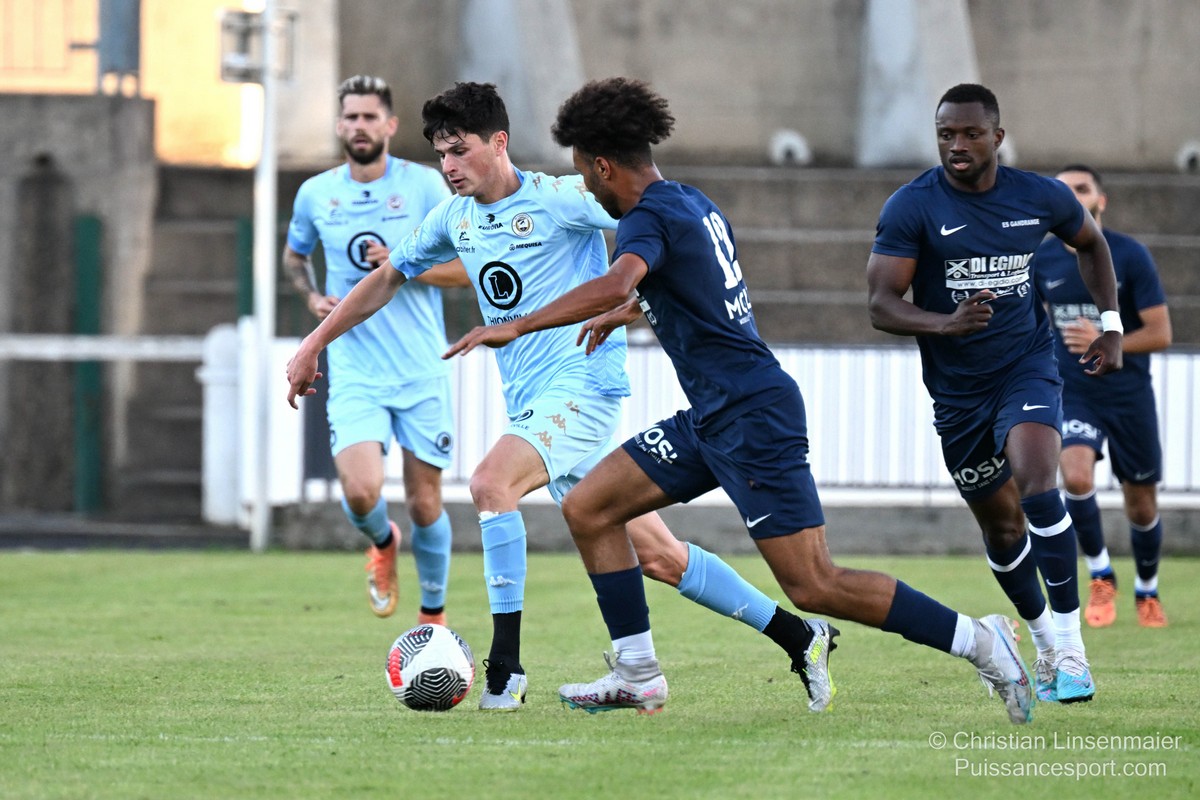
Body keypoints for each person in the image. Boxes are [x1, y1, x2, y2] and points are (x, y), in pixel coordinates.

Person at [445, 76, 1036, 725]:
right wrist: (632, 309)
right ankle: (638, 673)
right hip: (712, 415)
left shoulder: (646, 218)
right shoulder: (691, 202)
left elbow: (619, 277)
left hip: (753, 416)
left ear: (604, 165)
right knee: (589, 506)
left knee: (814, 584)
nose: (584, 185)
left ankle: (980, 640)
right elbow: (682, 281)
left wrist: (521, 324)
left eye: (585, 171)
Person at [287, 81, 839, 714]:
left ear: (498, 142)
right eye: (440, 154)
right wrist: (313, 343)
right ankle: (800, 637)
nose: (449, 166)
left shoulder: (563, 198)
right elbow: (385, 278)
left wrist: (635, 306)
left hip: (584, 388)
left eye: (460, 151)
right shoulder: (453, 219)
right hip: (536, 405)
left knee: (491, 484)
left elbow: (671, 239)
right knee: (660, 556)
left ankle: (505, 671)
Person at [866, 84, 1124, 705]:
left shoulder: (1040, 196)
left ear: (997, 137)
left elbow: (1091, 243)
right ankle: (1041, 642)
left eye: (970, 133)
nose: (957, 145)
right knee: (1003, 529)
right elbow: (880, 304)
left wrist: (1111, 324)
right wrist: (945, 323)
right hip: (958, 394)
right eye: (945, 134)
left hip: (1026, 367)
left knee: (1038, 486)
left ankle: (1072, 651)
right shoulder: (912, 206)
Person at [284, 75, 467, 623]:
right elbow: (295, 256)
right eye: (351, 117)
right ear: (339, 125)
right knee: (361, 493)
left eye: (369, 117)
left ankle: (432, 619)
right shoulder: (316, 193)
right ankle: (383, 542)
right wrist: (312, 296)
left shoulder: (426, 186)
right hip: (356, 367)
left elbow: (469, 266)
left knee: (425, 502)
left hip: (420, 367)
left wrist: (407, 264)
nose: (359, 126)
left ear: (389, 125)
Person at [1034, 164, 1172, 629]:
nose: (1072, 196)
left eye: (1081, 189)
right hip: (1074, 392)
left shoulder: (1129, 255)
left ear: (1101, 200)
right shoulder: (1041, 259)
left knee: (1142, 504)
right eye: (1062, 190)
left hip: (1129, 396)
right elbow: (1030, 322)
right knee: (1074, 477)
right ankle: (1101, 574)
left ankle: (1147, 590)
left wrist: (1107, 340)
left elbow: (1160, 332)